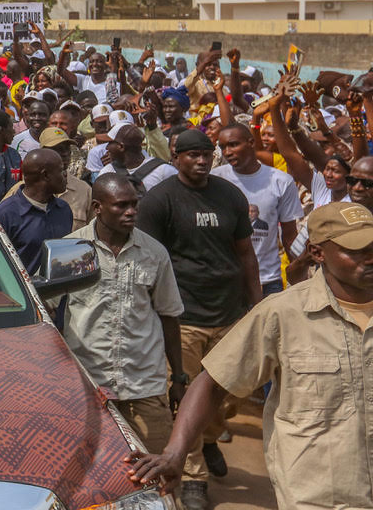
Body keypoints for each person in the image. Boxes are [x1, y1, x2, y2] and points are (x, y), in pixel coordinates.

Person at [128, 201, 373, 510]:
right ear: (317, 252)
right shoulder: (282, 314)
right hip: (319, 497)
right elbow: (214, 383)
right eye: (356, 250)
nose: (370, 258)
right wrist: (175, 454)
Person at [136, 128, 260, 510]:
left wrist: (257, 307)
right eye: (193, 155)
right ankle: (193, 477)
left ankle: (209, 437)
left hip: (230, 313)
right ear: (178, 158)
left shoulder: (231, 196)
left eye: (207, 154)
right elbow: (147, 261)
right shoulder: (159, 201)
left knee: (232, 395)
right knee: (187, 398)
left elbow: (245, 255)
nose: (202, 160)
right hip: (184, 317)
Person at [63, 174, 185, 453]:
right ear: (97, 208)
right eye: (121, 205)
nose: (130, 212)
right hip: (89, 385)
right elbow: (47, 309)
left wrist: (178, 377)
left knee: (157, 467)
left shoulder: (154, 253)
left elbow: (169, 315)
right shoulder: (70, 250)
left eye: (134, 204)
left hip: (144, 384)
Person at [212, 123, 303, 297]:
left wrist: (300, 277)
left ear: (251, 143)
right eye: (223, 147)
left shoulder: (281, 181)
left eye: (233, 144)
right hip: (228, 279)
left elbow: (289, 235)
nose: (228, 152)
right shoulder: (216, 179)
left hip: (269, 281)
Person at [0, 148, 72, 275]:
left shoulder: (63, 209)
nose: (66, 174)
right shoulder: (4, 215)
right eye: (61, 170)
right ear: (45, 175)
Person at [102, 123, 178, 193]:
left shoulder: (164, 171)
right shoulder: (107, 172)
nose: (106, 147)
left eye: (110, 143)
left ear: (121, 147)